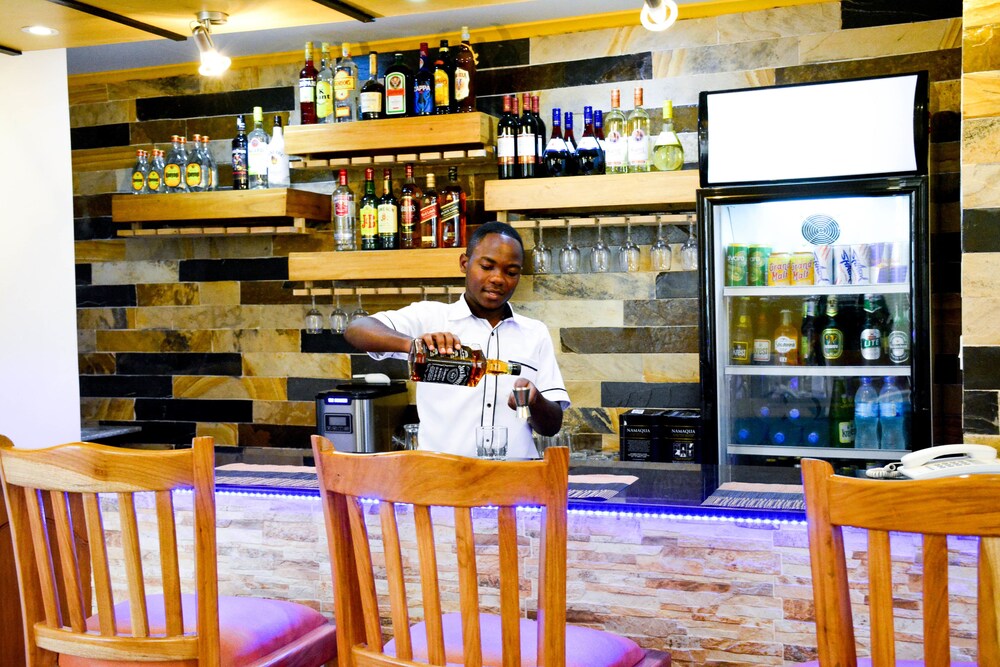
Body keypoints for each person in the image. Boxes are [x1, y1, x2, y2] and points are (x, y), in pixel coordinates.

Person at [345, 221, 570, 458]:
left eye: (511, 272)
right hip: (442, 474)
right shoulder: (431, 317)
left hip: (514, 475)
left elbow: (551, 426)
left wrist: (534, 401)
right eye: (487, 266)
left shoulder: (535, 333)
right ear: (464, 263)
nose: (498, 278)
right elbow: (357, 329)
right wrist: (415, 345)